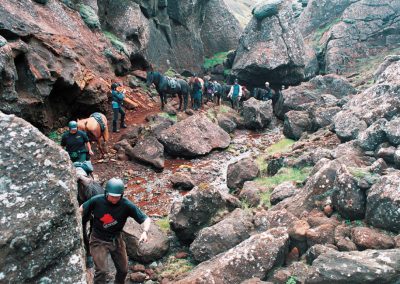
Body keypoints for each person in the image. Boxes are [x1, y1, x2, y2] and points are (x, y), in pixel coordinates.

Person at [80, 178, 151, 284]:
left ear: (121, 195)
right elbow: (81, 208)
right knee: (102, 271)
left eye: (117, 197)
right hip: (98, 239)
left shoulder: (126, 205)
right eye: (112, 196)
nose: (114, 199)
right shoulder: (96, 200)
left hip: (116, 239)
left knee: (123, 270)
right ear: (106, 193)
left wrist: (145, 232)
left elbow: (146, 219)